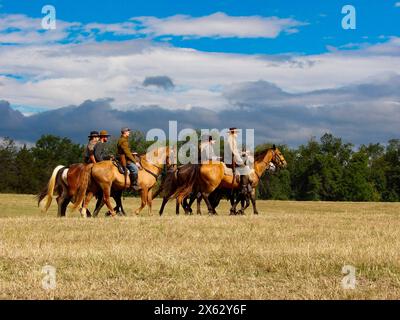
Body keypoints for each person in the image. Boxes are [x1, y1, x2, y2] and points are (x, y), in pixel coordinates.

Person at [226, 128, 251, 193]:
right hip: (232, 157)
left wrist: (243, 152)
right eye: (236, 132)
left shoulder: (232, 139)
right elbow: (233, 151)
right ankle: (243, 187)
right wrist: (242, 153)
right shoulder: (230, 139)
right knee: (245, 168)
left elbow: (235, 150)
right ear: (233, 132)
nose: (237, 134)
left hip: (233, 156)